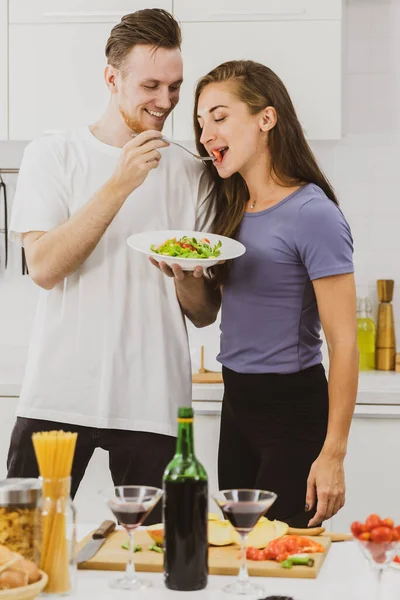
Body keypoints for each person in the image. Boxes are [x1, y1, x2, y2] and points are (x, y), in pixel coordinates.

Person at [7, 9, 214, 524]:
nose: (165, 102)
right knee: (22, 546)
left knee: (156, 560)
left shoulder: (193, 173)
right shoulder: (53, 154)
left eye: (174, 87)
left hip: (153, 400)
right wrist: (121, 183)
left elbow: (205, 311)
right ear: (112, 78)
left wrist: (187, 280)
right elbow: (45, 267)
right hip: (58, 397)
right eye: (150, 85)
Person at [153, 60, 358, 527]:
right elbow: (206, 315)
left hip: (292, 407)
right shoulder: (230, 208)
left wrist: (333, 455)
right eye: (201, 122)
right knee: (243, 555)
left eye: (220, 117)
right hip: (237, 402)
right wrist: (184, 273)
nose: (206, 134)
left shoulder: (313, 213)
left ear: (266, 119)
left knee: (280, 559)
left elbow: (344, 345)